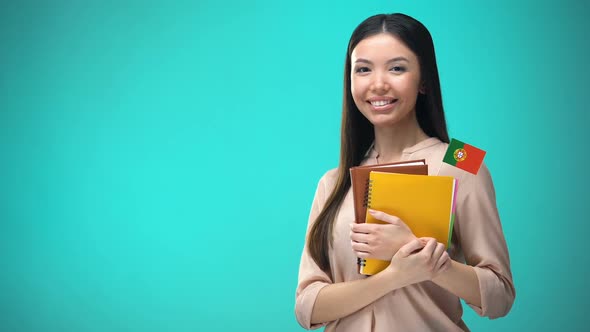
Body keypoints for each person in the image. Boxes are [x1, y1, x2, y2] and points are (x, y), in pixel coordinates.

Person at [295, 13, 515, 331]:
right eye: (363, 69)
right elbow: (306, 308)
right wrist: (395, 276)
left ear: (424, 79)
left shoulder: (463, 160)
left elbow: (500, 296)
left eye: (397, 68)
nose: (378, 83)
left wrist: (426, 260)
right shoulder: (333, 181)